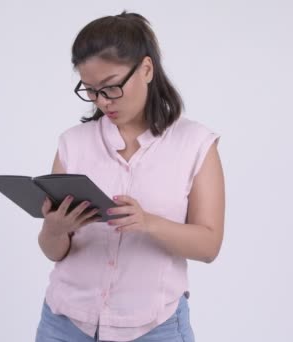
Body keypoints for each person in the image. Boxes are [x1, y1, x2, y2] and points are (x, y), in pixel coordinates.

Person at [35, 11, 225, 342]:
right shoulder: (72, 144)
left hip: (155, 327)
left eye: (111, 88)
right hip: (64, 324)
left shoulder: (196, 144)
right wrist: (55, 229)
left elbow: (209, 246)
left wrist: (147, 222)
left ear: (147, 69)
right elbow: (54, 251)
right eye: (91, 91)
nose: (102, 101)